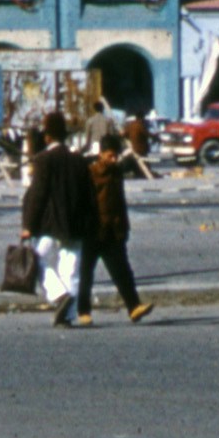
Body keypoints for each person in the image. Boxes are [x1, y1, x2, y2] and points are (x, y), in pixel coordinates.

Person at [18, 110, 97, 329]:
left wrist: (28, 226)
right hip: (76, 224)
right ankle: (67, 316)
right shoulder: (79, 161)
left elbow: (38, 195)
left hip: (51, 224)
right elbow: (90, 194)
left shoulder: (44, 160)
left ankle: (59, 295)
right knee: (70, 269)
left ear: (48, 137)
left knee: (35, 259)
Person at [79, 128, 148, 322]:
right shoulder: (91, 172)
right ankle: (83, 312)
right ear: (101, 154)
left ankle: (134, 307)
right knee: (86, 274)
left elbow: (120, 203)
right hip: (93, 231)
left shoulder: (117, 172)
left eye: (115, 156)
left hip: (114, 230)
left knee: (123, 272)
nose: (113, 159)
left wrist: (124, 228)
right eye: (110, 155)